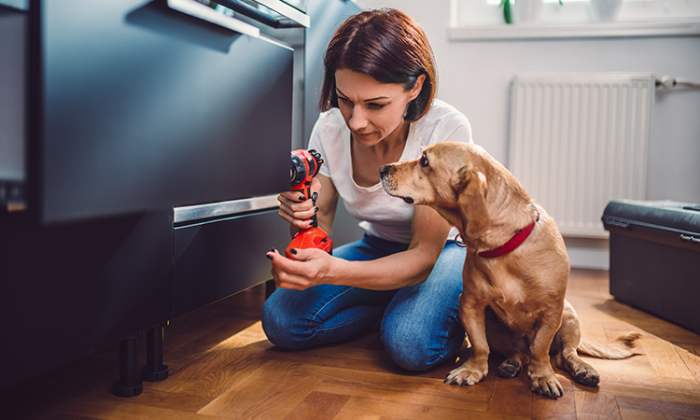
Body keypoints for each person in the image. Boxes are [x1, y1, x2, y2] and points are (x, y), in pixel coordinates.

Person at [262, 8, 474, 371]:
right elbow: (319, 229)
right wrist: (300, 222)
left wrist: (331, 273)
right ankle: (394, 302)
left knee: (410, 345)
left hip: (446, 252)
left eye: (376, 105)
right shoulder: (329, 129)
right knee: (280, 319)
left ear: (415, 87)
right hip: (376, 246)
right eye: (345, 100)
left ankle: (426, 315)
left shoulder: (444, 131)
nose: (355, 121)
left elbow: (423, 254)